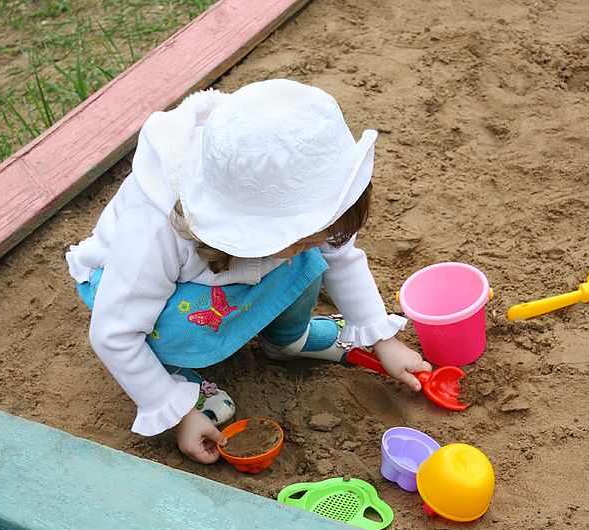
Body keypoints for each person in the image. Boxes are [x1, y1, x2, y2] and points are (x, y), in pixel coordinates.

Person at [66, 78, 431, 464]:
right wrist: (173, 410)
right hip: (144, 293)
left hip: (223, 275)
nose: (317, 243)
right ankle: (175, 373)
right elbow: (115, 333)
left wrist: (381, 338)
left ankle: (288, 338)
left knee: (306, 259)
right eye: (303, 236)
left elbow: (338, 254)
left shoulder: (295, 195)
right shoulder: (153, 228)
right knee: (178, 323)